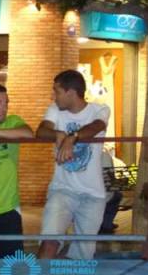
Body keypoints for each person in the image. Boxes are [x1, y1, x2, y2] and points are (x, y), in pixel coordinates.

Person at [37, 69, 110, 260]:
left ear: (71, 92)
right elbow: (42, 131)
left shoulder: (99, 109)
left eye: (57, 91)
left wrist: (72, 137)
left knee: (82, 256)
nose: (53, 96)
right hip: (62, 189)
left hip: (93, 195)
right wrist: (57, 134)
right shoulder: (55, 109)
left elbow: (96, 127)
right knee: (49, 241)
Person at [0, 83, 33, 258]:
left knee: (11, 269)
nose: (3, 108)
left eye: (6, 103)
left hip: (7, 211)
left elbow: (28, 134)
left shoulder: (11, 122)